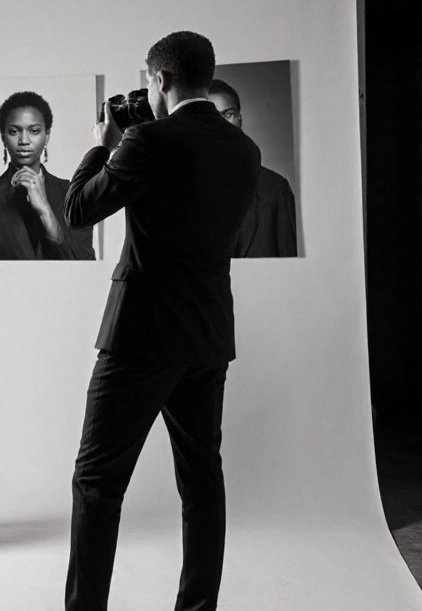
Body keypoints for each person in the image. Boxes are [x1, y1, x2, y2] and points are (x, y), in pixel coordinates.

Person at [62, 31, 260, 611]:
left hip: (140, 337)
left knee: (97, 483)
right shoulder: (243, 150)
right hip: (207, 336)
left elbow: (78, 211)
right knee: (202, 482)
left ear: (160, 79)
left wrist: (102, 144)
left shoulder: (146, 139)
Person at [0, 91, 94, 260]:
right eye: (14, 131)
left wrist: (45, 211)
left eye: (34, 131)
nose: (24, 140)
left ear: (47, 136)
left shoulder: (74, 195)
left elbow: (86, 265)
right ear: (3, 138)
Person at [208, 79, 298, 257]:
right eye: (212, 117)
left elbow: (292, 268)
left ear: (240, 119)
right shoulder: (179, 190)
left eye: (228, 114)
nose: (222, 125)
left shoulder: (276, 189)